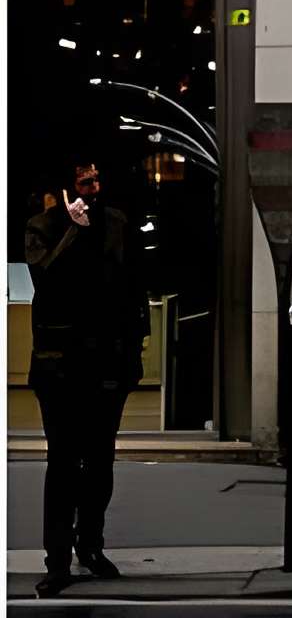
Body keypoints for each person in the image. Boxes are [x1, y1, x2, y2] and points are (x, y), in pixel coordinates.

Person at [26, 155, 150, 599]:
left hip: (106, 362)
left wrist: (136, 350)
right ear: (66, 187)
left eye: (96, 179)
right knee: (62, 462)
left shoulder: (116, 222)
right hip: (59, 364)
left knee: (99, 460)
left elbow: (135, 286)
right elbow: (46, 280)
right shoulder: (42, 226)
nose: (92, 187)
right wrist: (73, 232)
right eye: (83, 180)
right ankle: (56, 559)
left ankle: (90, 545)